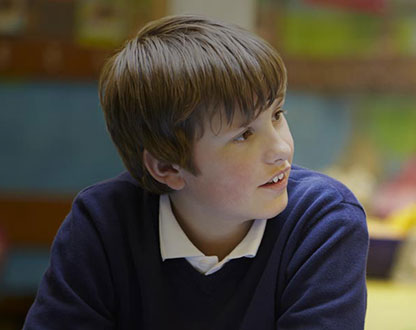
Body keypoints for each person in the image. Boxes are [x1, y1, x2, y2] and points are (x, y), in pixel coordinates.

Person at [24, 15, 368, 329]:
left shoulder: (325, 222)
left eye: (277, 114)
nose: (281, 148)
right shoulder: (102, 223)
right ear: (166, 167)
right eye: (244, 134)